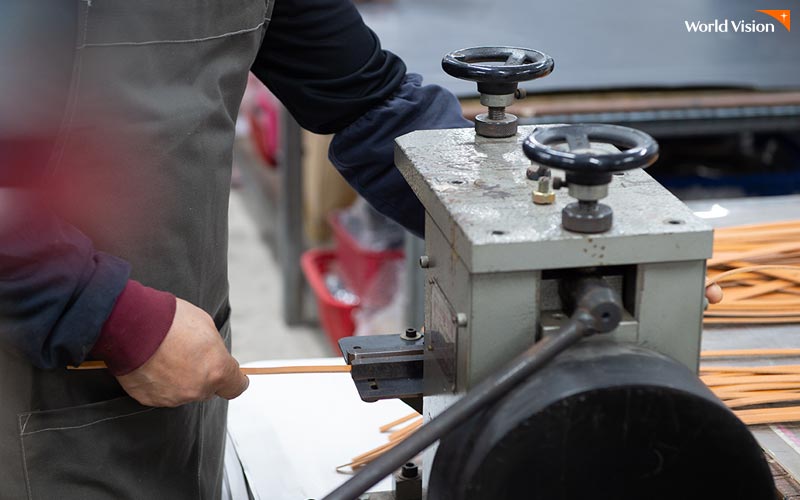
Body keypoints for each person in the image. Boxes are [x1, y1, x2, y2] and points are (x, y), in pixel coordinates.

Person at [0, 1, 723, 498]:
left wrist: (589, 252)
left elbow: (369, 101)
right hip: (29, 375)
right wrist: (106, 315)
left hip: (172, 364)